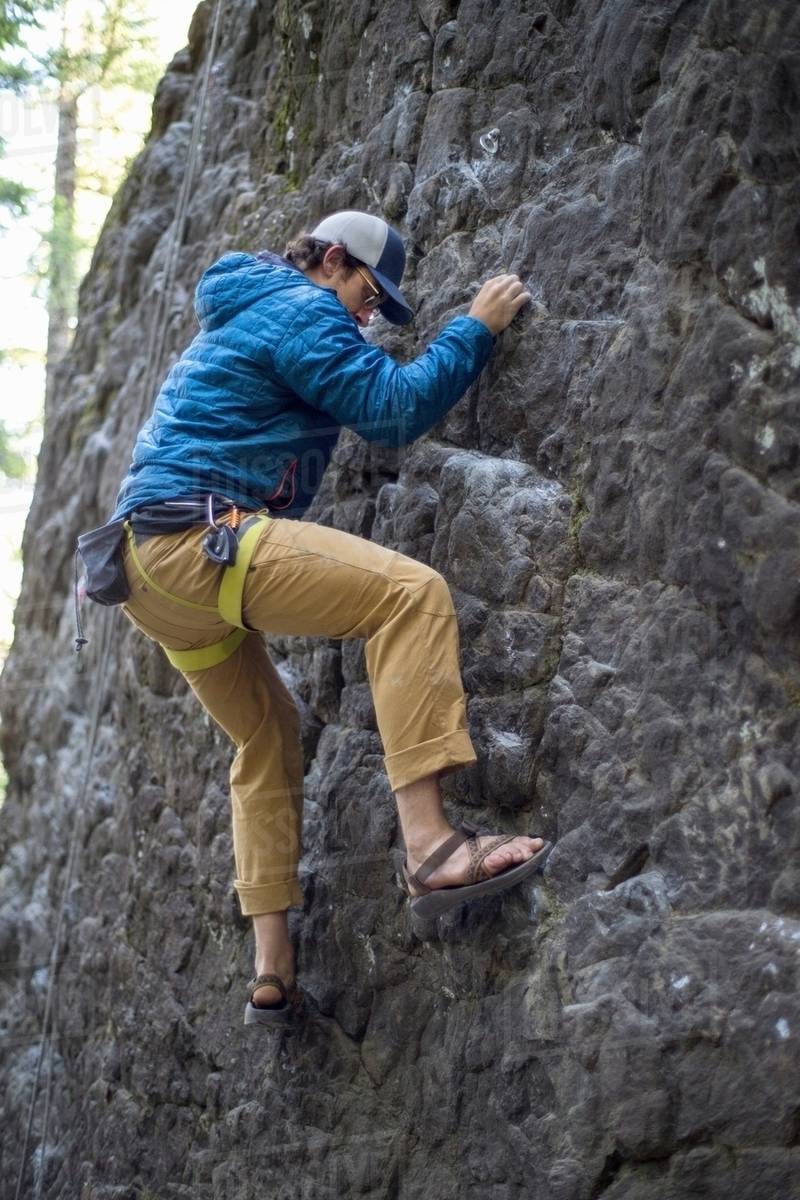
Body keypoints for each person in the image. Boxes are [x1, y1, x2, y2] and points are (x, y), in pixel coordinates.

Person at [108, 210, 550, 1026]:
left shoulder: (246, 311)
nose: (367, 318)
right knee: (409, 596)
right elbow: (391, 410)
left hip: (140, 572)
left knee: (266, 732)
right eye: (368, 296)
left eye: (378, 311)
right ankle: (433, 847)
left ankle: (271, 967)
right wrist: (475, 330)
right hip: (203, 540)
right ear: (334, 261)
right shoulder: (302, 306)